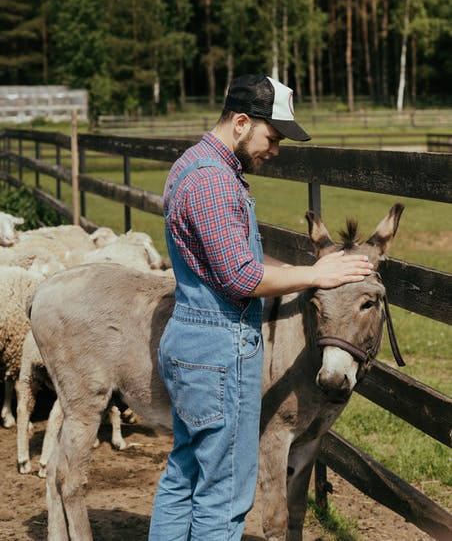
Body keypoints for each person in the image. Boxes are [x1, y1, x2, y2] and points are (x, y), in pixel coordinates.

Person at [148, 74, 373, 541]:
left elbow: (235, 256)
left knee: (184, 475)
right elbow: (242, 277)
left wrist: (303, 268)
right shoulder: (214, 183)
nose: (275, 150)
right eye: (272, 137)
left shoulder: (194, 164)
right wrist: (315, 275)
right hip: (218, 350)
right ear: (242, 122)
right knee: (224, 494)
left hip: (191, 339)